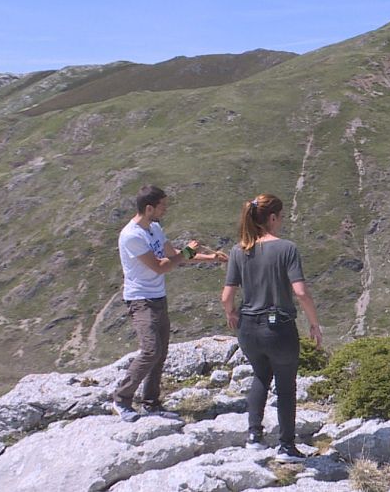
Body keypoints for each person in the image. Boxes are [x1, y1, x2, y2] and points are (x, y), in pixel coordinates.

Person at [221, 193, 322, 463]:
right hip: (278, 328)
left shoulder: (238, 250)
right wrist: (314, 324)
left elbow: (226, 296)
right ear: (273, 218)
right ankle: (286, 447)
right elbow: (300, 292)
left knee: (260, 376)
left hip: (248, 329)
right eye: (282, 216)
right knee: (286, 385)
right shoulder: (286, 248)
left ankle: (254, 437)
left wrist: (231, 314)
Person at [113, 185, 228, 422]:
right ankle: (121, 399)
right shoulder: (132, 235)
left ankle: (151, 403)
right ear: (149, 208)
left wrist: (210, 258)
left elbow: (172, 253)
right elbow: (160, 265)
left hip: (158, 297)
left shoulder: (154, 228)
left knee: (161, 352)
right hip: (140, 299)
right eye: (162, 206)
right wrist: (185, 252)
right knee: (150, 350)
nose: (165, 210)